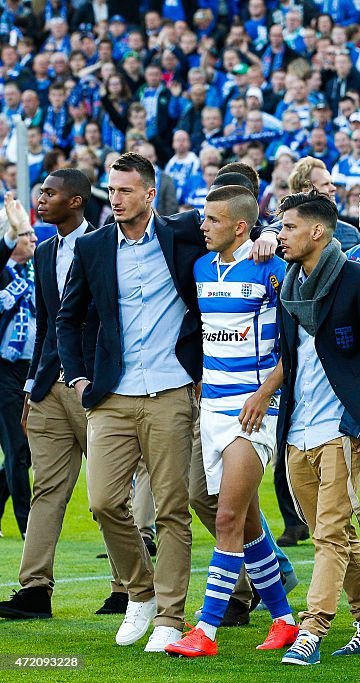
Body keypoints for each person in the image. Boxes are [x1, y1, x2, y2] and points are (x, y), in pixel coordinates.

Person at [55, 152, 205, 652]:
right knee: (102, 502)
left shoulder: (183, 232)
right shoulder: (94, 246)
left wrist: (266, 236)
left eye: (124, 191)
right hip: (110, 395)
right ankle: (139, 592)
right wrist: (77, 378)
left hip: (171, 390)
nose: (115, 199)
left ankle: (168, 617)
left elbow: (238, 221)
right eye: (111, 191)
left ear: (148, 194)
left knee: (171, 509)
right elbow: (68, 317)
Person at [164, 185, 298, 657]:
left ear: (241, 226)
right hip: (212, 407)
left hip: (253, 409)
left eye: (213, 220)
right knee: (246, 524)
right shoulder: (201, 267)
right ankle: (284, 619)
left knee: (226, 517)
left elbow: (295, 343)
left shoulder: (271, 268)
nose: (204, 227)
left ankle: (206, 631)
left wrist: (265, 394)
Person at [274, 190, 360, 665]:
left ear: (317, 231)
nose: (280, 235)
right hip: (298, 427)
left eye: (288, 227)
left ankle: (313, 630)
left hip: (342, 426)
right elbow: (292, 360)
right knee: (335, 533)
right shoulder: (288, 285)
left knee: (329, 532)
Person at [0, 174, 110, 619]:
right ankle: (34, 590)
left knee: (109, 494)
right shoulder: (44, 252)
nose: (40, 199)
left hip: (94, 388)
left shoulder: (106, 245)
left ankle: (126, 588)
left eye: (49, 193)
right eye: (40, 192)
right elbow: (46, 327)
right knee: (46, 489)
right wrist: (31, 388)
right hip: (46, 388)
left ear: (76, 201)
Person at [0, 193, 35, 541]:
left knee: (25, 449)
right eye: (27, 235)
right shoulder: (3, 272)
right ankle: (27, 526)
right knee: (16, 449)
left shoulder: (31, 270)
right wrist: (10, 230)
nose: (33, 240)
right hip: (3, 369)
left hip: (29, 368)